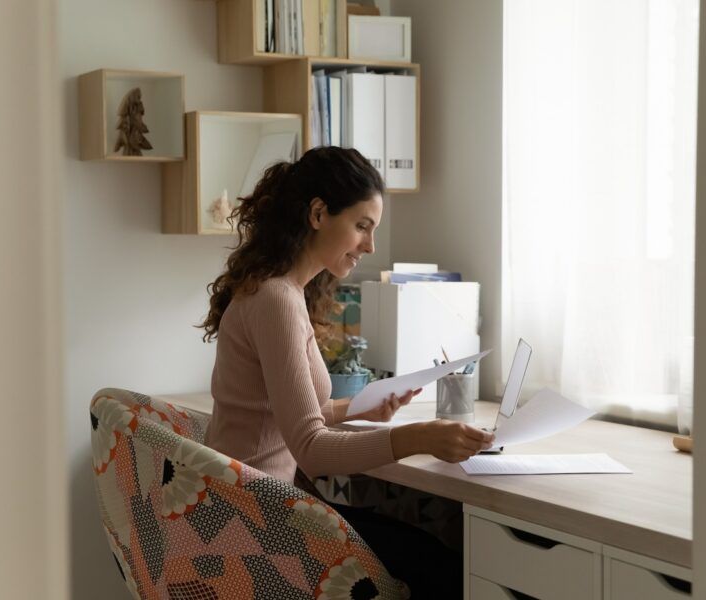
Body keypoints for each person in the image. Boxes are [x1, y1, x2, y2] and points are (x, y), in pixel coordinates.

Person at [200, 146, 494, 598]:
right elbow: (312, 449)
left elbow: (290, 417)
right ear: (318, 213)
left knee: (426, 551)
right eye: (362, 227)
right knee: (445, 568)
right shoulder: (278, 299)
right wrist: (421, 437)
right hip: (256, 524)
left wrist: (361, 407)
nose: (370, 246)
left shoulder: (276, 290)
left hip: (244, 508)